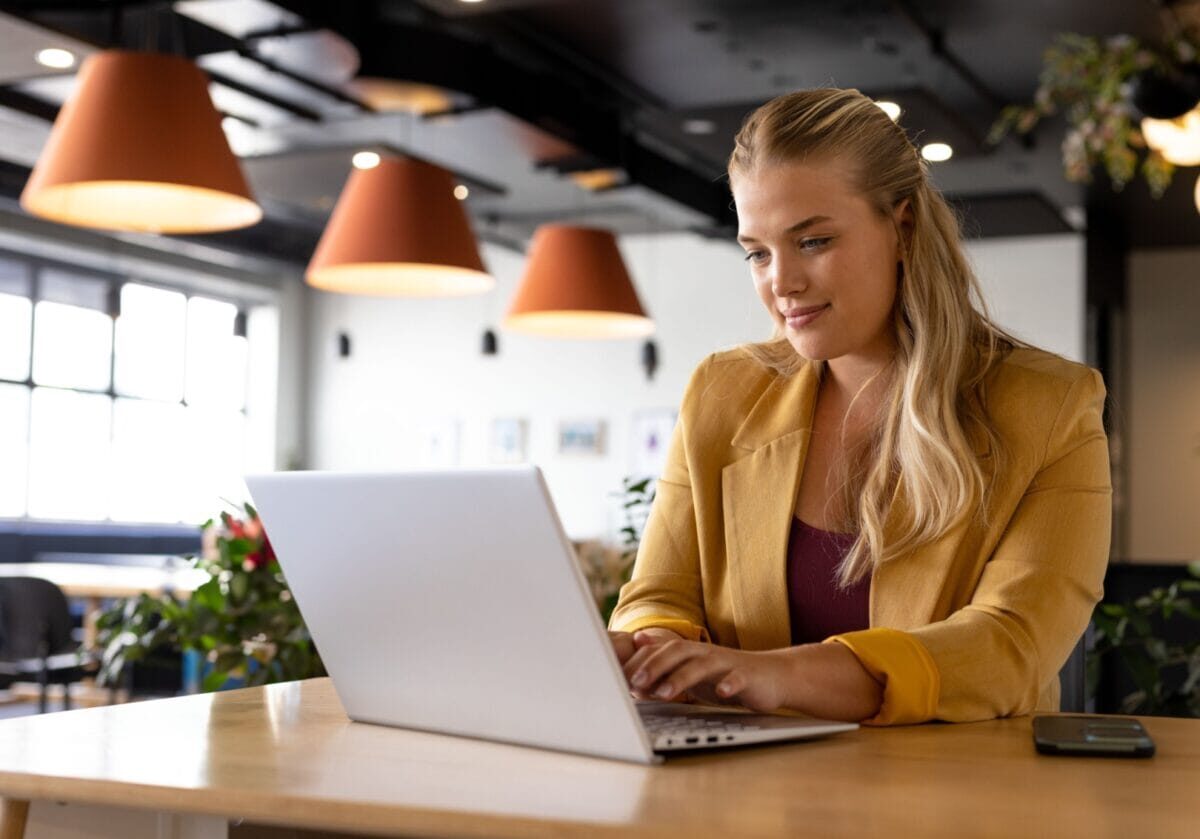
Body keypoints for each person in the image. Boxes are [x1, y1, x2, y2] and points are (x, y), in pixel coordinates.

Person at [607, 88, 1111, 725]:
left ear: (901, 227)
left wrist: (778, 674)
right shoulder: (722, 391)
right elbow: (658, 594)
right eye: (757, 253)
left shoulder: (1052, 406)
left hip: (956, 804)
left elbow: (1009, 647)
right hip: (744, 801)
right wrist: (653, 646)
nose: (781, 283)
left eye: (813, 241)